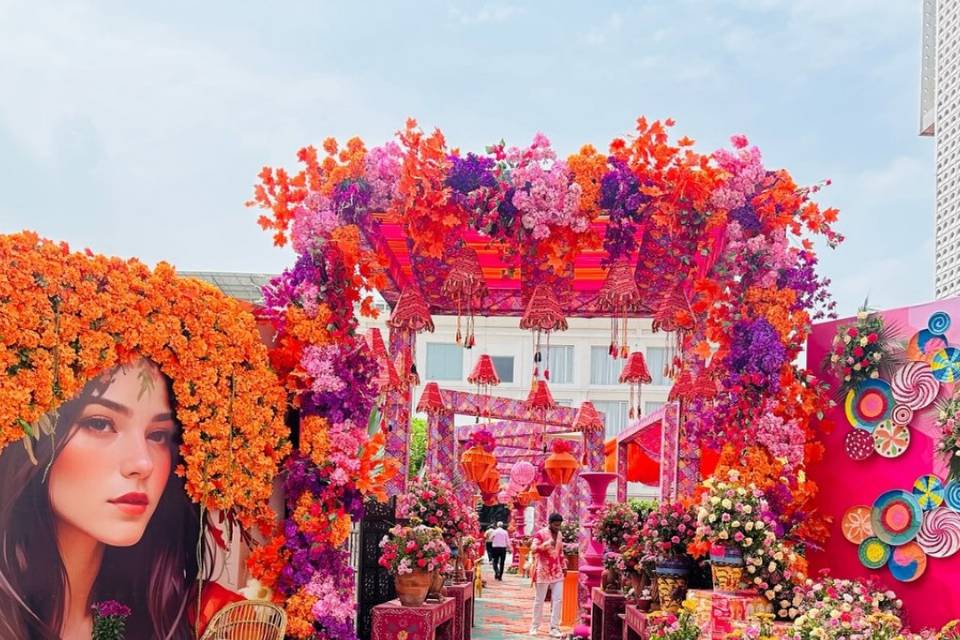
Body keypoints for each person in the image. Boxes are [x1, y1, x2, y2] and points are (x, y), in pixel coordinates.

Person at [0, 359, 221, 640]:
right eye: (100, 424)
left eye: (158, 435)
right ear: (28, 435)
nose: (143, 463)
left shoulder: (209, 619)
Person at [528, 513, 565, 637]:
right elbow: (533, 549)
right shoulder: (541, 534)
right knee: (539, 600)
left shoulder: (559, 534)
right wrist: (546, 544)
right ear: (549, 523)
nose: (557, 527)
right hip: (543, 571)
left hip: (557, 571)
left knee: (558, 600)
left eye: (559, 525)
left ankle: (554, 628)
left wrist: (564, 566)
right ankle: (534, 626)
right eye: (555, 525)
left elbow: (561, 553)